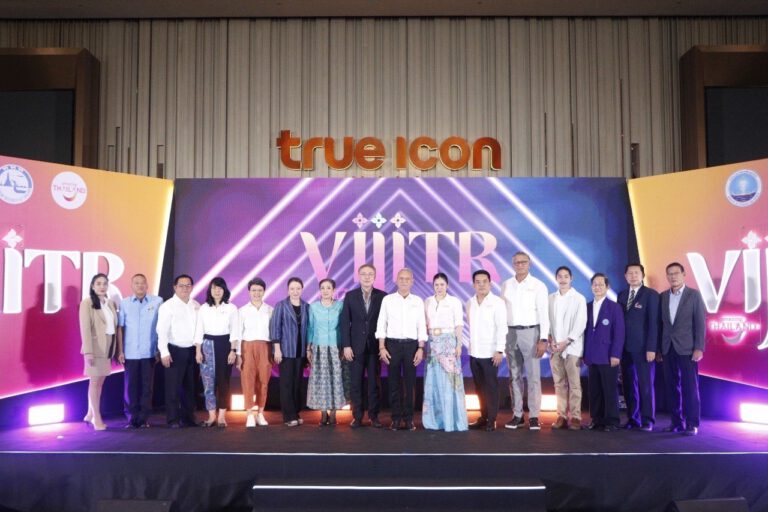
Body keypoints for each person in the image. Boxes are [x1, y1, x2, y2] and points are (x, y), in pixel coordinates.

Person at [501, 251, 550, 430]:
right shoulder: (506, 285)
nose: (520, 265)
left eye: (523, 262)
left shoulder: (538, 285)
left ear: (530, 264)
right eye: (517, 262)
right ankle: (518, 415)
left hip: (531, 332)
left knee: (533, 376)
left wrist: (543, 339)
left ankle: (534, 416)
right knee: (514, 375)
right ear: (513, 264)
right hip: (510, 333)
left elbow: (544, 314)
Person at [376, 268, 427, 431]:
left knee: (410, 384)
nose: (404, 281)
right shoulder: (388, 300)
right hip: (392, 345)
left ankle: (409, 419)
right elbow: (381, 323)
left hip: (412, 346)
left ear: (412, 282)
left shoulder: (418, 301)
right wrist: (382, 347)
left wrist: (420, 348)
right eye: (401, 278)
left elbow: (422, 325)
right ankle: (396, 419)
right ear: (396, 280)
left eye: (407, 279)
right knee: (393, 383)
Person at [660, 262, 706, 436]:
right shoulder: (663, 296)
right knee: (671, 387)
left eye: (676, 273)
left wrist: (699, 347)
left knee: (690, 387)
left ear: (684, 274)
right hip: (667, 347)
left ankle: (692, 423)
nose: (673, 277)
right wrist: (659, 349)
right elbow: (661, 324)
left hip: (687, 348)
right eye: (670, 274)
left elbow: (700, 323)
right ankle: (676, 422)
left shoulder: (693, 295)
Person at [339, 264, 386, 428]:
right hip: (355, 347)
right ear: (359, 276)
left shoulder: (383, 296)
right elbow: (345, 322)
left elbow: (385, 322)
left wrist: (384, 346)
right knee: (355, 384)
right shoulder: (350, 296)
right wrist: (346, 345)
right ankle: (357, 416)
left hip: (375, 347)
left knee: (374, 384)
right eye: (364, 274)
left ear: (375, 277)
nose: (367, 277)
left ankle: (374, 416)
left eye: (370, 274)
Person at [116, 273, 163, 429]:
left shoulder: (157, 301)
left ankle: (143, 419)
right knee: (130, 387)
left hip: (149, 352)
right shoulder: (124, 303)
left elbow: (161, 327)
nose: (140, 285)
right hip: (130, 352)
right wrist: (120, 350)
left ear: (147, 285)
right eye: (136, 283)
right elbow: (120, 328)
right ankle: (131, 418)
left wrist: (159, 349)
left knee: (147, 387)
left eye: (142, 283)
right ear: (132, 286)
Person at [422, 273, 468, 432]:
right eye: (436, 284)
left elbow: (459, 325)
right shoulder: (428, 301)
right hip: (432, 344)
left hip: (448, 343)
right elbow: (424, 324)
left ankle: (452, 420)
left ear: (447, 285)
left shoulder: (454, 302)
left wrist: (459, 345)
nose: (439, 287)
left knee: (449, 382)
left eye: (442, 284)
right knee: (433, 380)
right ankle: (435, 420)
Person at [617, 263, 659, 432]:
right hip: (625, 348)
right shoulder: (621, 295)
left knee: (645, 385)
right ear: (625, 276)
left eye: (636, 273)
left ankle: (648, 420)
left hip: (643, 349)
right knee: (628, 385)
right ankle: (633, 418)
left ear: (642, 275)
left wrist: (652, 348)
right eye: (630, 273)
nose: (633, 276)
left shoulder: (651, 295)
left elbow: (654, 324)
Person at [466, 270, 508, 432]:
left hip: (491, 353)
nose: (481, 285)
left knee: (491, 387)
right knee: (479, 388)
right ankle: (483, 417)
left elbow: (502, 328)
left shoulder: (497, 302)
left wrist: (499, 350)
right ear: (473, 284)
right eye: (478, 282)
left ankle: (492, 419)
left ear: (490, 283)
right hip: (474, 352)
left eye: (484, 281)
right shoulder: (470, 302)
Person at [157, 274, 200, 428]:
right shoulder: (167, 306)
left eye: (188, 285)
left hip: (192, 350)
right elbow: (161, 331)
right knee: (173, 388)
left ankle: (189, 418)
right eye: (181, 285)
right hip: (174, 350)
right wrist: (164, 352)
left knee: (190, 387)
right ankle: (173, 419)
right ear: (175, 287)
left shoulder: (196, 305)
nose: (185, 288)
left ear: (192, 287)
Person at [194, 277, 239, 427]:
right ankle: (211, 416)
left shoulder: (231, 308)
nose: (217, 291)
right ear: (210, 290)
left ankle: (221, 417)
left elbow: (235, 331)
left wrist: (233, 351)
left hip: (225, 345)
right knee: (208, 383)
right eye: (214, 288)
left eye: (220, 288)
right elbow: (199, 330)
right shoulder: (203, 308)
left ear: (224, 290)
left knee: (223, 382)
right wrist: (198, 351)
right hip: (207, 345)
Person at [547, 266, 587, 431]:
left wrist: (567, 341)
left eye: (566, 276)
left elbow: (581, 323)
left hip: (572, 347)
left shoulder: (579, 298)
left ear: (571, 278)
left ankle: (576, 417)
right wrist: (550, 339)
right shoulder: (551, 298)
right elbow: (547, 322)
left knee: (574, 384)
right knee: (559, 384)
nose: (563, 279)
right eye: (560, 276)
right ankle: (561, 416)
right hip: (555, 348)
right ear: (556, 278)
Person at [584, 273, 625, 432]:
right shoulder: (587, 307)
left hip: (608, 355)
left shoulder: (614, 307)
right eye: (595, 284)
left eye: (601, 284)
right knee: (594, 390)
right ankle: (596, 419)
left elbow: (619, 333)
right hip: (591, 355)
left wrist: (616, 354)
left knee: (609, 390)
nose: (597, 287)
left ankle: (612, 421)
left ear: (607, 287)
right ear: (591, 287)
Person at [79, 273, 118, 431]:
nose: (102, 286)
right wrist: (88, 352)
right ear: (93, 286)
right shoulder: (87, 303)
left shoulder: (110, 303)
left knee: (99, 382)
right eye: (98, 283)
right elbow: (85, 329)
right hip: (95, 349)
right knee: (95, 382)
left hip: (107, 347)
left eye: (104, 283)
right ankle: (97, 418)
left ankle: (90, 413)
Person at [270, 277, 310, 427]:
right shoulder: (281, 305)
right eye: (292, 288)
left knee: (297, 384)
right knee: (286, 384)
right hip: (285, 351)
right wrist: (277, 349)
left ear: (302, 289)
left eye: (298, 288)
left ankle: (296, 413)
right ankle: (288, 416)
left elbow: (309, 329)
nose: (295, 291)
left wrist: (308, 350)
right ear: (288, 290)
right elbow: (275, 328)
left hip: (301, 352)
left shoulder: (306, 306)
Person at [306, 278, 346, 426]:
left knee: (336, 379)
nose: (325, 291)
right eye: (322, 288)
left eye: (328, 288)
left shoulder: (340, 306)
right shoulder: (314, 307)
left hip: (336, 347)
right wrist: (308, 348)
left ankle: (334, 413)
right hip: (319, 348)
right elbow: (310, 328)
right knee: (321, 380)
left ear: (334, 290)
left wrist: (344, 346)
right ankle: (323, 413)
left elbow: (344, 326)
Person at [237, 277, 273, 427]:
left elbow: (274, 332)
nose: (257, 293)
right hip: (247, 347)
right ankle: (249, 415)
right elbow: (238, 333)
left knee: (263, 382)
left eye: (259, 290)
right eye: (253, 290)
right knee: (248, 381)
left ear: (264, 291)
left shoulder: (270, 310)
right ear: (249, 292)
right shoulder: (242, 311)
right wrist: (238, 354)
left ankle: (260, 413)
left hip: (265, 346)